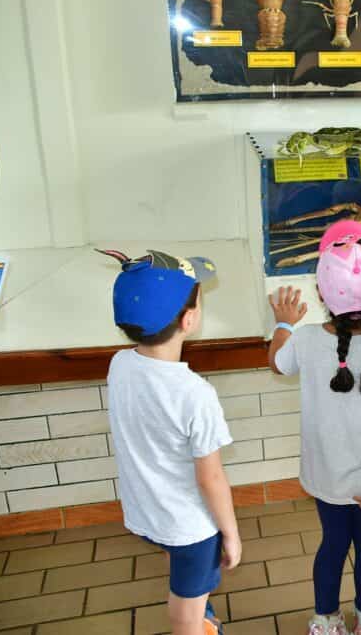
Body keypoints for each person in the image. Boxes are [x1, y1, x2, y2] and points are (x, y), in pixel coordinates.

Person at [268, 221, 361, 635]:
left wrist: (284, 323)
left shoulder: (306, 340)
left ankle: (326, 620)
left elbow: (276, 362)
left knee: (331, 546)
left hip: (325, 476)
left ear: (323, 292)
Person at [102, 249, 239, 635]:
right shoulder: (194, 393)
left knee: (182, 571)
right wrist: (230, 533)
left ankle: (203, 622)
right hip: (190, 525)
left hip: (146, 511)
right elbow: (210, 479)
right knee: (185, 607)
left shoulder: (120, 365)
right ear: (189, 319)